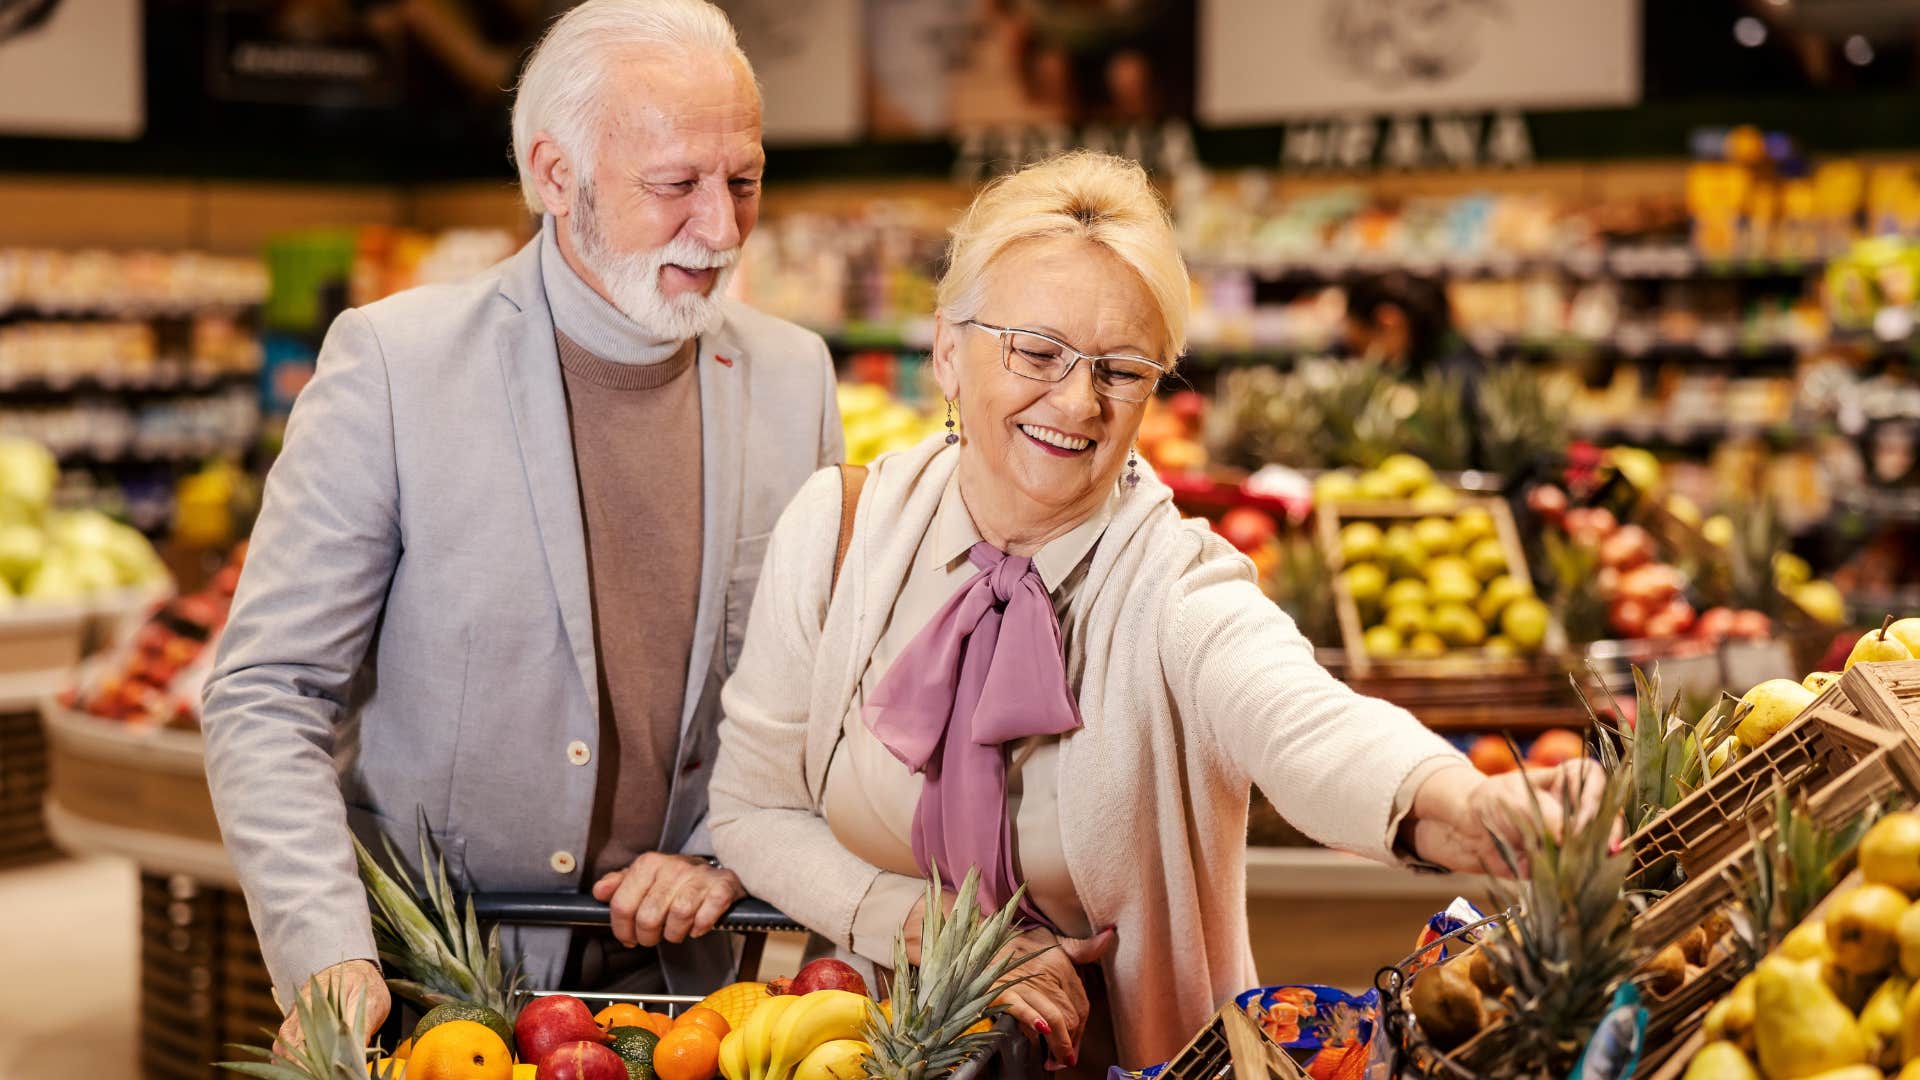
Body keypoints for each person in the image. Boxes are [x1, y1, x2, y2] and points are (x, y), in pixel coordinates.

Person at [691, 152, 1605, 1073]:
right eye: (1037, 352)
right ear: (945, 349)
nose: (1078, 401)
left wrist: (1460, 802)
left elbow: (1298, 717)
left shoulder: (1176, 583)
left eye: (1123, 371)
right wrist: (917, 924)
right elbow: (754, 810)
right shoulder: (840, 533)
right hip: (844, 1049)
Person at [201, 0, 842, 1048]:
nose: (722, 230)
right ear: (554, 176)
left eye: (744, 181)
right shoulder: (395, 367)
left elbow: (814, 690)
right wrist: (327, 952)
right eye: (676, 186)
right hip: (441, 996)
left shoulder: (790, 376)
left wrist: (729, 845)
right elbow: (270, 691)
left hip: (693, 1003)